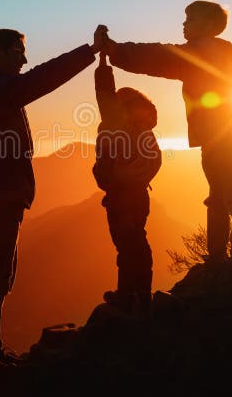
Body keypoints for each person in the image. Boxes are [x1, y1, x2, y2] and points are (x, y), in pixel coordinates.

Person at [0, 28, 101, 381]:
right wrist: (89, 51)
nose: (25, 60)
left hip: (0, 196)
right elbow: (45, 78)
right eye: (18, 51)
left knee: (0, 275)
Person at [99, 1, 232, 263]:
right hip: (221, 134)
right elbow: (163, 57)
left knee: (229, 194)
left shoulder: (209, 50)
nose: (184, 24)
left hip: (224, 134)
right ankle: (223, 254)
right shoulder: (215, 50)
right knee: (222, 194)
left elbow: (161, 57)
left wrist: (115, 50)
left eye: (190, 19)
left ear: (207, 25)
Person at [92, 41, 161, 315]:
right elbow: (153, 163)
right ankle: (139, 294)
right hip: (138, 195)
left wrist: (102, 62)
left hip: (122, 196)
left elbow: (103, 92)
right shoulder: (145, 132)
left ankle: (129, 296)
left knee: (127, 245)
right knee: (135, 243)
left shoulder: (113, 126)